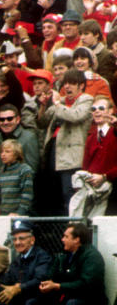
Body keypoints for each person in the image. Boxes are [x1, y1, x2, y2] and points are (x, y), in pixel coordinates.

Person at [20, 222, 107, 305]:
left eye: (66, 237)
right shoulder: (64, 255)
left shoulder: (92, 257)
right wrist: (46, 284)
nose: (62, 239)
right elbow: (51, 276)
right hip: (64, 304)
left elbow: (87, 284)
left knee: (73, 304)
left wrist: (58, 286)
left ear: (77, 240)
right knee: (32, 303)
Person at [37, 68, 93, 214]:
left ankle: (73, 228)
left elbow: (76, 116)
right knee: (54, 193)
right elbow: (42, 122)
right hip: (53, 150)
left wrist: (56, 104)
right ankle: (58, 231)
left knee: (69, 193)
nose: (67, 86)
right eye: (65, 83)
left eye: (71, 83)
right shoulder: (61, 102)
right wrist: (44, 105)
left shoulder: (86, 100)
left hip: (71, 155)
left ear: (81, 86)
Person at [0, 139, 34, 217]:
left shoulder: (24, 170)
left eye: (7, 151)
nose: (3, 154)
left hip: (20, 215)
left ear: (16, 154)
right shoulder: (1, 172)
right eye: (2, 152)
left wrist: (19, 213)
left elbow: (27, 195)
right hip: (4, 214)